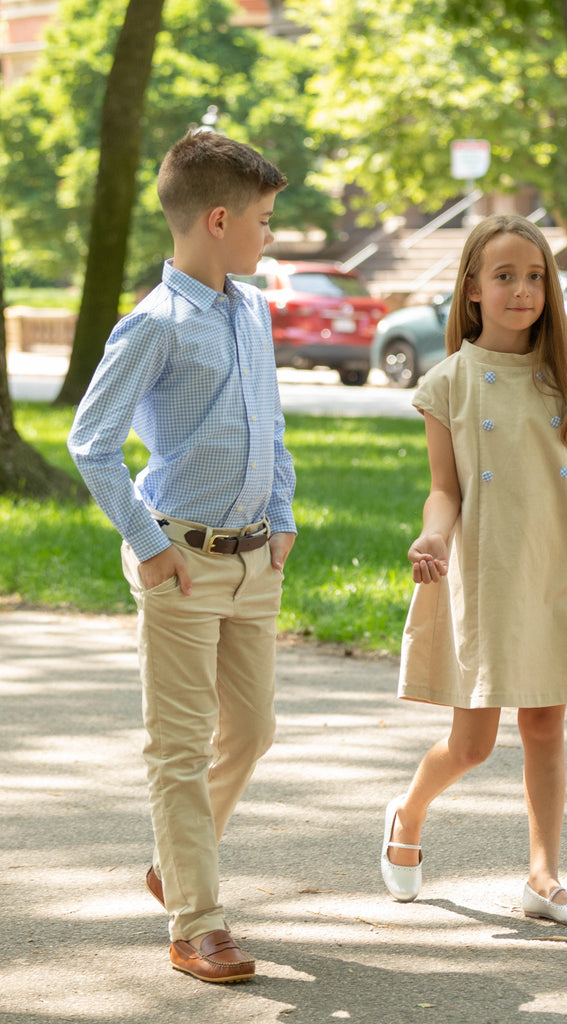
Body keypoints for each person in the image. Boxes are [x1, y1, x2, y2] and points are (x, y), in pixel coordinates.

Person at [381, 214, 567, 926]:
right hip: (489, 576)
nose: (523, 290)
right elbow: (445, 489)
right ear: (473, 288)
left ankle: (544, 878)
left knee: (545, 724)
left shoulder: (565, 382)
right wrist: (432, 537)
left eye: (536, 276)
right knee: (472, 744)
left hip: (555, 571)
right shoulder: (450, 384)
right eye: (505, 276)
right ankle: (408, 813)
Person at [67, 130, 296, 983]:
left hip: (253, 565)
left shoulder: (252, 310)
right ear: (218, 218)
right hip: (184, 564)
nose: (270, 234)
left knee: (253, 729)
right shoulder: (153, 326)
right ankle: (197, 919)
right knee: (178, 745)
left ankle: (176, 859)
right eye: (265, 220)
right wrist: (151, 548)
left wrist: (282, 520)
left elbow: (269, 425)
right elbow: (91, 443)